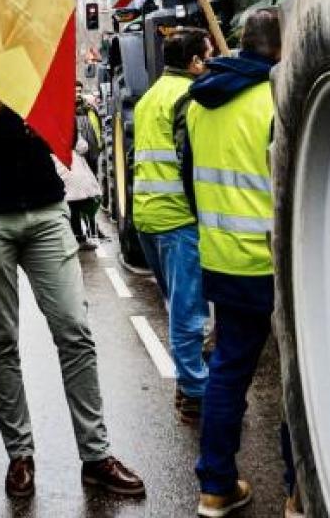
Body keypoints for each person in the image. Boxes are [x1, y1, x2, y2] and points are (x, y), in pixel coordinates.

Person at [0, 0, 145, 500]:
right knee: (2, 341)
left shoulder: (33, 52)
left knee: (74, 328)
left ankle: (95, 455)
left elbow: (62, 127)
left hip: (45, 208)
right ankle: (19, 455)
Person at [177, 7, 283, 517]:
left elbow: (192, 179)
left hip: (222, 258)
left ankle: (216, 485)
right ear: (282, 50)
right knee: (297, 378)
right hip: (274, 261)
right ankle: (299, 491)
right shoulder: (277, 98)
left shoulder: (199, 103)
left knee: (228, 371)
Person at [129, 26, 213, 420]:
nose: (210, 61)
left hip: (148, 217)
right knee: (188, 312)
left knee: (177, 306)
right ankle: (196, 392)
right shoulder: (187, 97)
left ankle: (188, 381)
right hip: (178, 218)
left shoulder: (148, 99)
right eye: (207, 55)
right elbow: (190, 163)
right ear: (194, 62)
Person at [65, 87, 105, 248]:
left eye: (79, 90)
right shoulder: (73, 117)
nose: (77, 93)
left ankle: (82, 234)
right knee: (79, 202)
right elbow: (81, 145)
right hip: (75, 165)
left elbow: (97, 130)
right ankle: (83, 235)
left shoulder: (89, 110)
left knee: (72, 203)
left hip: (76, 163)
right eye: (74, 90)